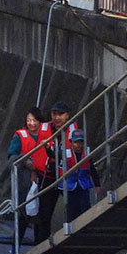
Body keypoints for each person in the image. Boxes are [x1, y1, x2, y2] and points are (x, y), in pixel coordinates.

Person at [34, 102, 79, 242]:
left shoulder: (73, 130)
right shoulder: (44, 128)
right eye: (54, 114)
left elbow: (76, 152)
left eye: (60, 114)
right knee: (43, 213)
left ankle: (74, 243)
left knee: (74, 211)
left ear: (68, 115)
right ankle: (40, 245)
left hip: (67, 176)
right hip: (47, 176)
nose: (57, 117)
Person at [5, 107, 44, 254]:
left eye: (34, 120)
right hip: (24, 182)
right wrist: (25, 162)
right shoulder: (20, 136)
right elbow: (11, 158)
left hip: (42, 180)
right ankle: (14, 250)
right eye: (29, 120)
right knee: (22, 217)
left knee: (41, 217)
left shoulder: (46, 136)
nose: (32, 123)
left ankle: (39, 250)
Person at [58, 128, 101, 222]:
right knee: (72, 208)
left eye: (81, 142)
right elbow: (53, 156)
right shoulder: (64, 153)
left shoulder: (87, 154)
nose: (79, 145)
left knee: (85, 206)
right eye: (76, 142)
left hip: (83, 184)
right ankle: (71, 228)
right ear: (71, 142)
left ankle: (85, 225)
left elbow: (92, 170)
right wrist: (47, 147)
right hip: (69, 185)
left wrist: (97, 185)